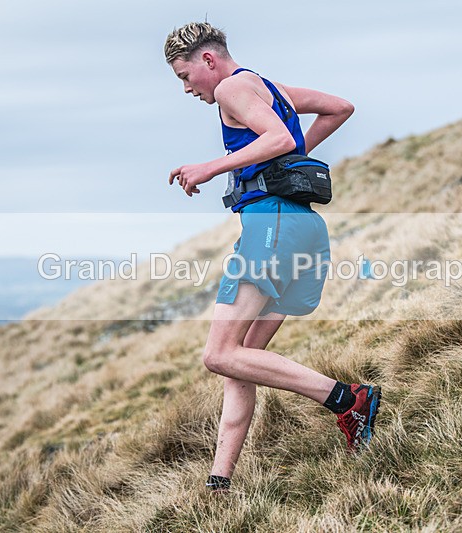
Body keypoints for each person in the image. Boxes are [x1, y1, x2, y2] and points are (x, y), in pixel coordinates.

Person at [164, 21, 381, 493]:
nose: (186, 88)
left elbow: (280, 139)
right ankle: (219, 483)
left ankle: (348, 400)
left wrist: (209, 166)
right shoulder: (268, 87)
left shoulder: (230, 88)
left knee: (218, 354)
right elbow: (339, 108)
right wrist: (283, 164)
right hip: (303, 228)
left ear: (207, 60)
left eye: (184, 75)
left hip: (272, 227)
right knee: (241, 358)